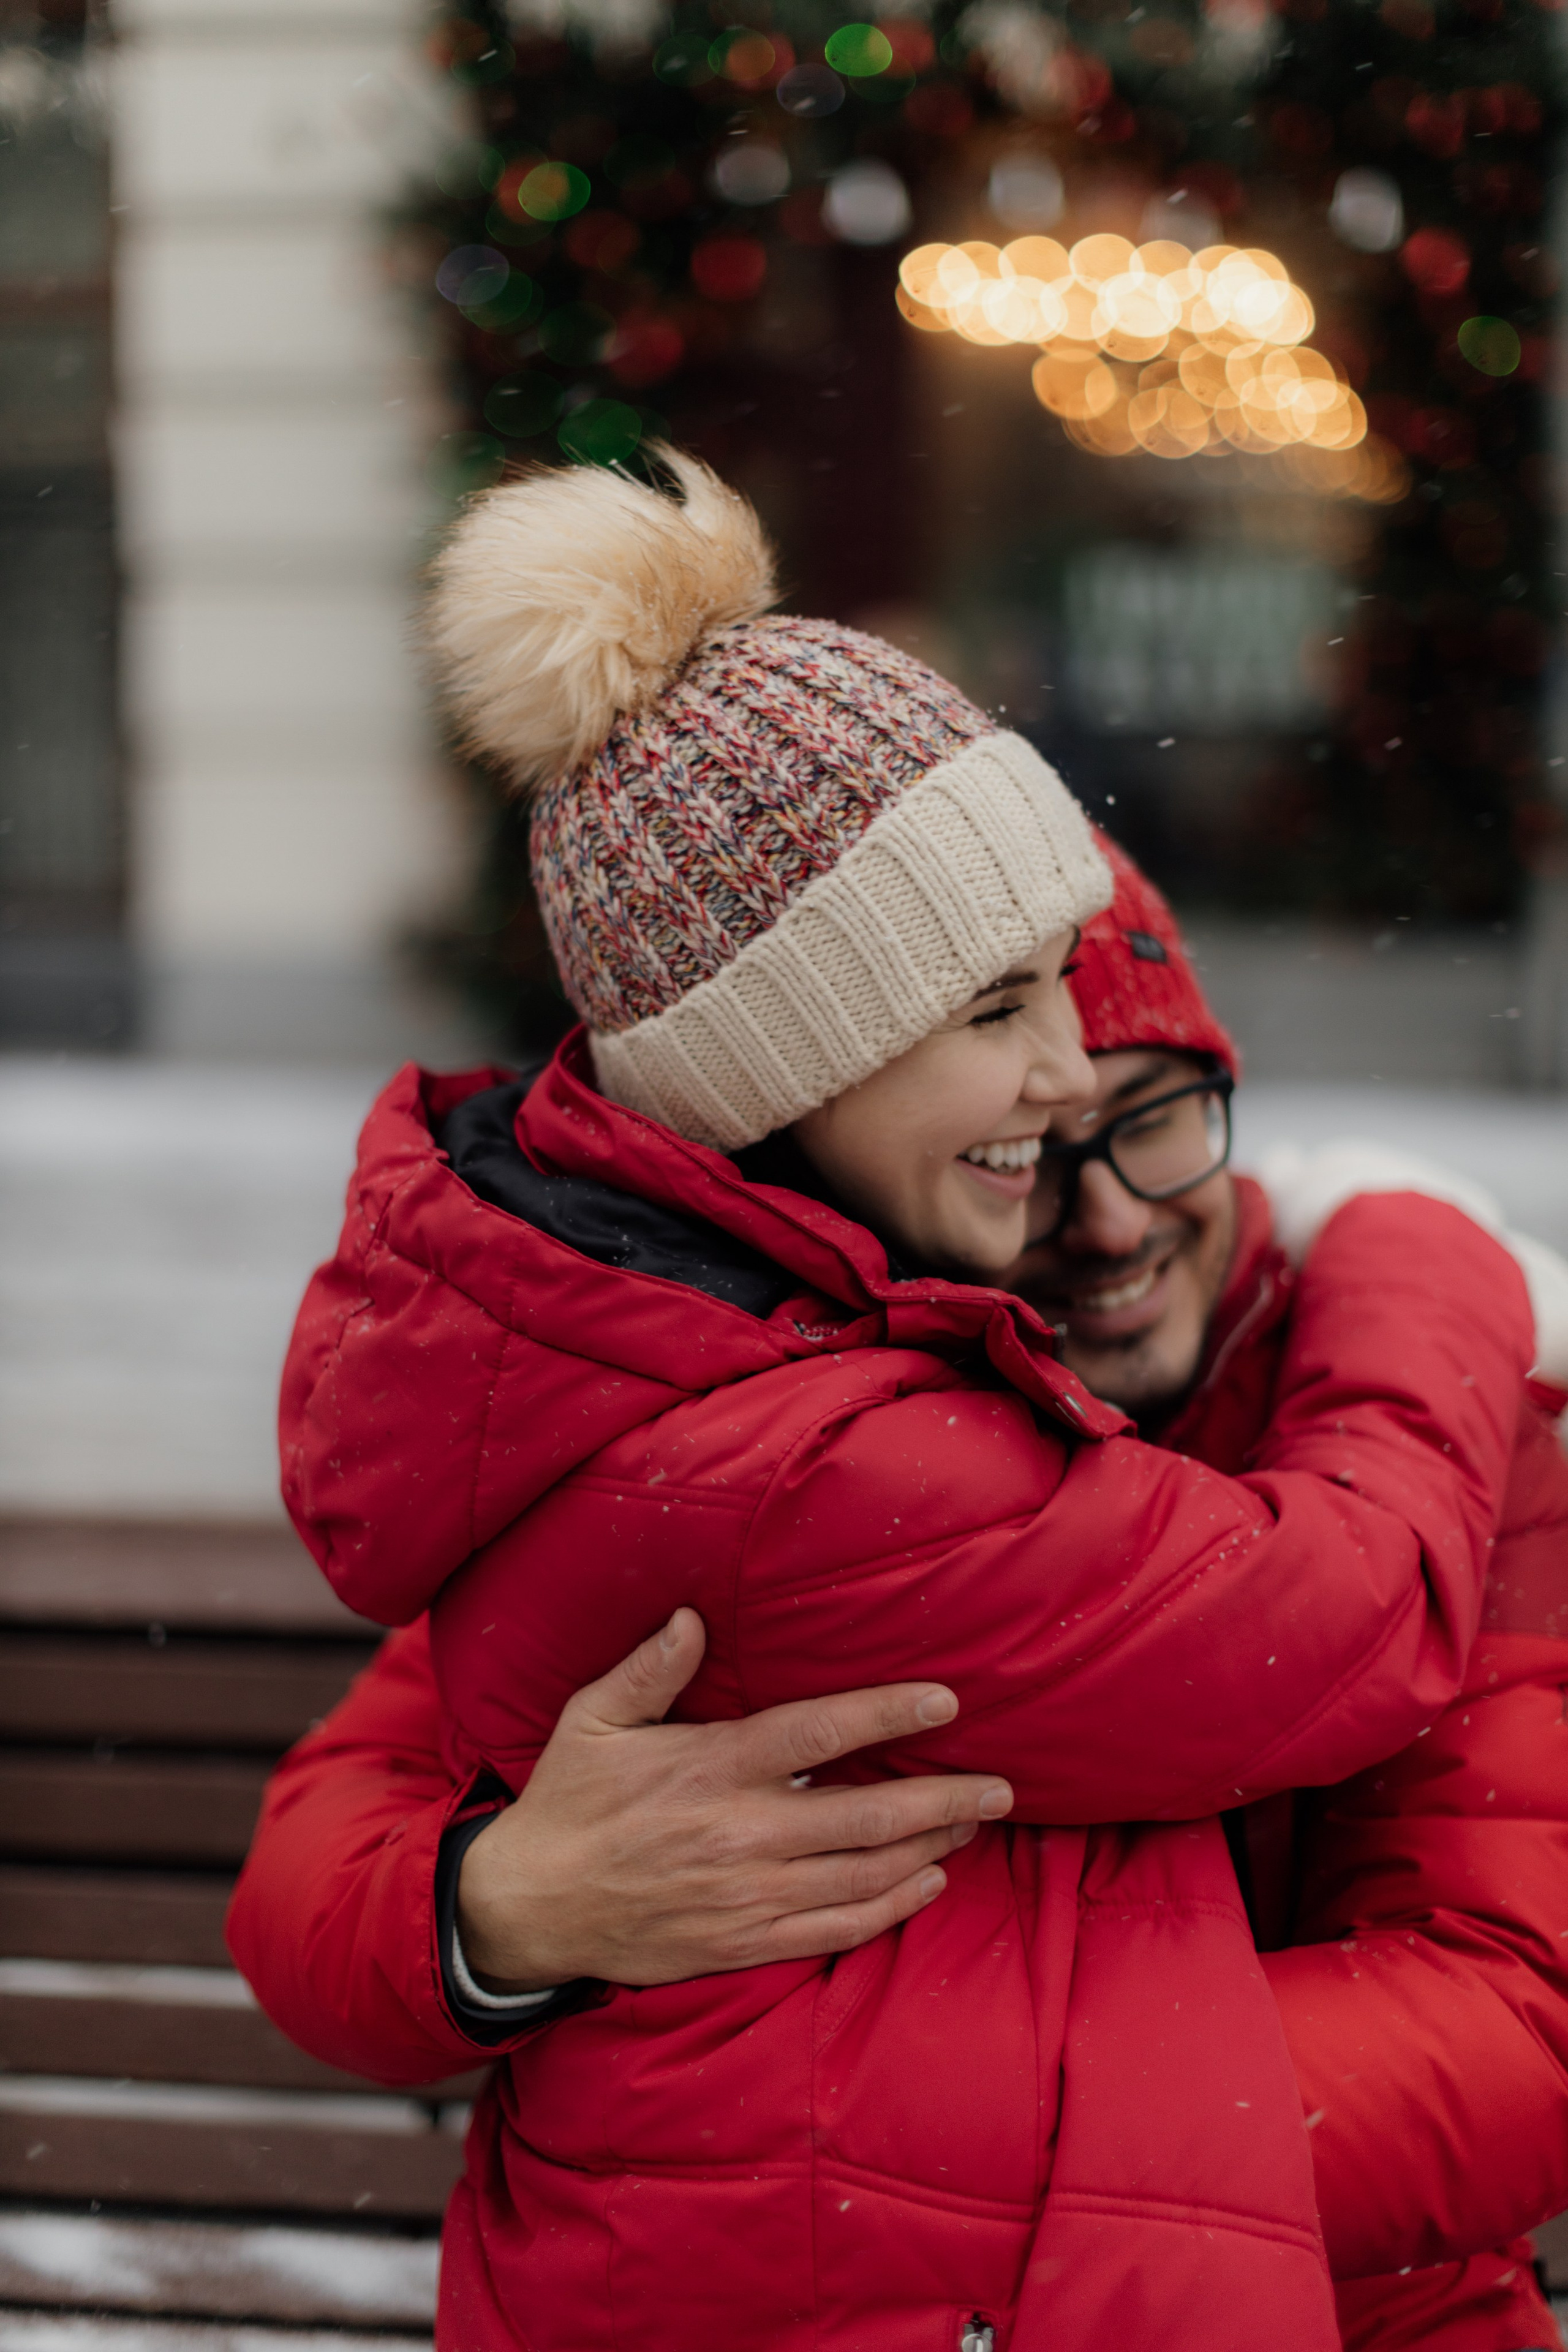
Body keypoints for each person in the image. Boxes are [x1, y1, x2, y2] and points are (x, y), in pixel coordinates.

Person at [262, 453, 1540, 2351]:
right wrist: (501, 1904)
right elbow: (326, 1856)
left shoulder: (1399, 1420)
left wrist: (945, 2149)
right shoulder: (788, 1419)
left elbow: (1525, 2018)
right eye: (1033, 1120)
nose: (1098, 1214)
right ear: (817, 1107)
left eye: (1155, 1120)